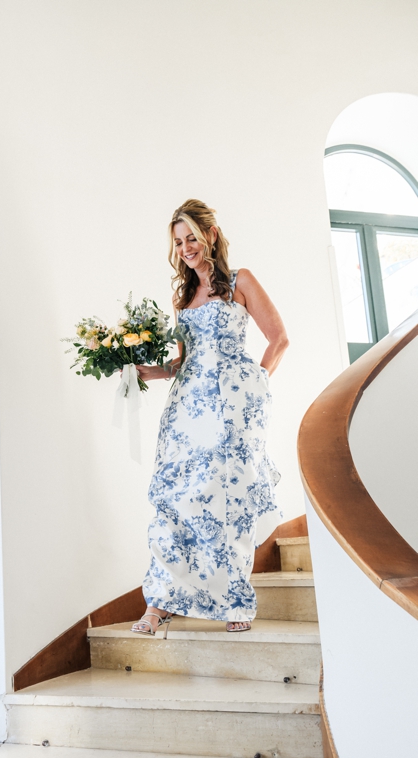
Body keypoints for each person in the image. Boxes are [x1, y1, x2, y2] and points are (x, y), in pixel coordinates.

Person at [133, 199, 287, 636]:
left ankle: (234, 597)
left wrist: (253, 387)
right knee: (178, 499)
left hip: (233, 409)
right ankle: (161, 602)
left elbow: (279, 340)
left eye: (191, 239)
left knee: (230, 498)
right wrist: (150, 370)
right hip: (186, 413)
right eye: (178, 242)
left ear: (211, 235)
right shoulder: (182, 296)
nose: (185, 248)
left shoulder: (242, 281)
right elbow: (185, 362)